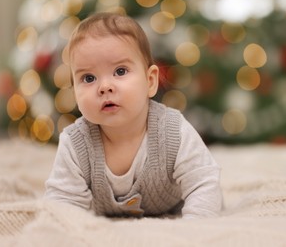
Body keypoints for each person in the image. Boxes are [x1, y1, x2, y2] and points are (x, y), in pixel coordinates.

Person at [44, 12, 222, 219]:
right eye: (88, 77)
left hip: (175, 209)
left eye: (120, 71)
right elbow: (62, 202)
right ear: (74, 89)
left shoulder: (172, 131)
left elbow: (203, 181)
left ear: (150, 81)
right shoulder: (75, 143)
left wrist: (195, 227)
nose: (105, 87)